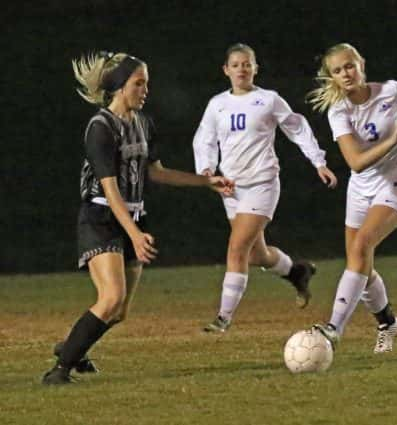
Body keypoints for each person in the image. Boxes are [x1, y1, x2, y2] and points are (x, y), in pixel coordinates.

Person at [42, 51, 235, 385]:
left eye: (147, 83)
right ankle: (58, 372)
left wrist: (206, 182)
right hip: (101, 216)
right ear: (119, 86)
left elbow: (155, 174)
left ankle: (72, 346)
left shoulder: (143, 122)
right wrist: (133, 234)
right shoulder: (100, 128)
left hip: (132, 217)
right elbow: (111, 189)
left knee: (118, 311)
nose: (145, 90)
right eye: (138, 83)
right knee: (111, 298)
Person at [193, 43, 338, 333]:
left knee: (236, 249)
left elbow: (296, 127)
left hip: (262, 183)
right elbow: (204, 139)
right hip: (231, 187)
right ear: (226, 70)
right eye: (235, 64)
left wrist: (318, 161)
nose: (242, 69)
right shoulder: (217, 104)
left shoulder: (269, 100)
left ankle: (223, 317)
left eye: (247, 64)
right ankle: (297, 272)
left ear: (255, 68)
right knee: (256, 255)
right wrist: (207, 171)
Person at [307, 43, 397, 353]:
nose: (346, 73)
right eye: (338, 70)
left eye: (350, 66)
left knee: (361, 247)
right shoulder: (339, 110)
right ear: (332, 77)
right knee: (360, 264)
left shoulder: (392, 89)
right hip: (361, 186)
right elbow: (355, 162)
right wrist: (394, 138)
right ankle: (388, 323)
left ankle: (333, 328)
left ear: (361, 64)